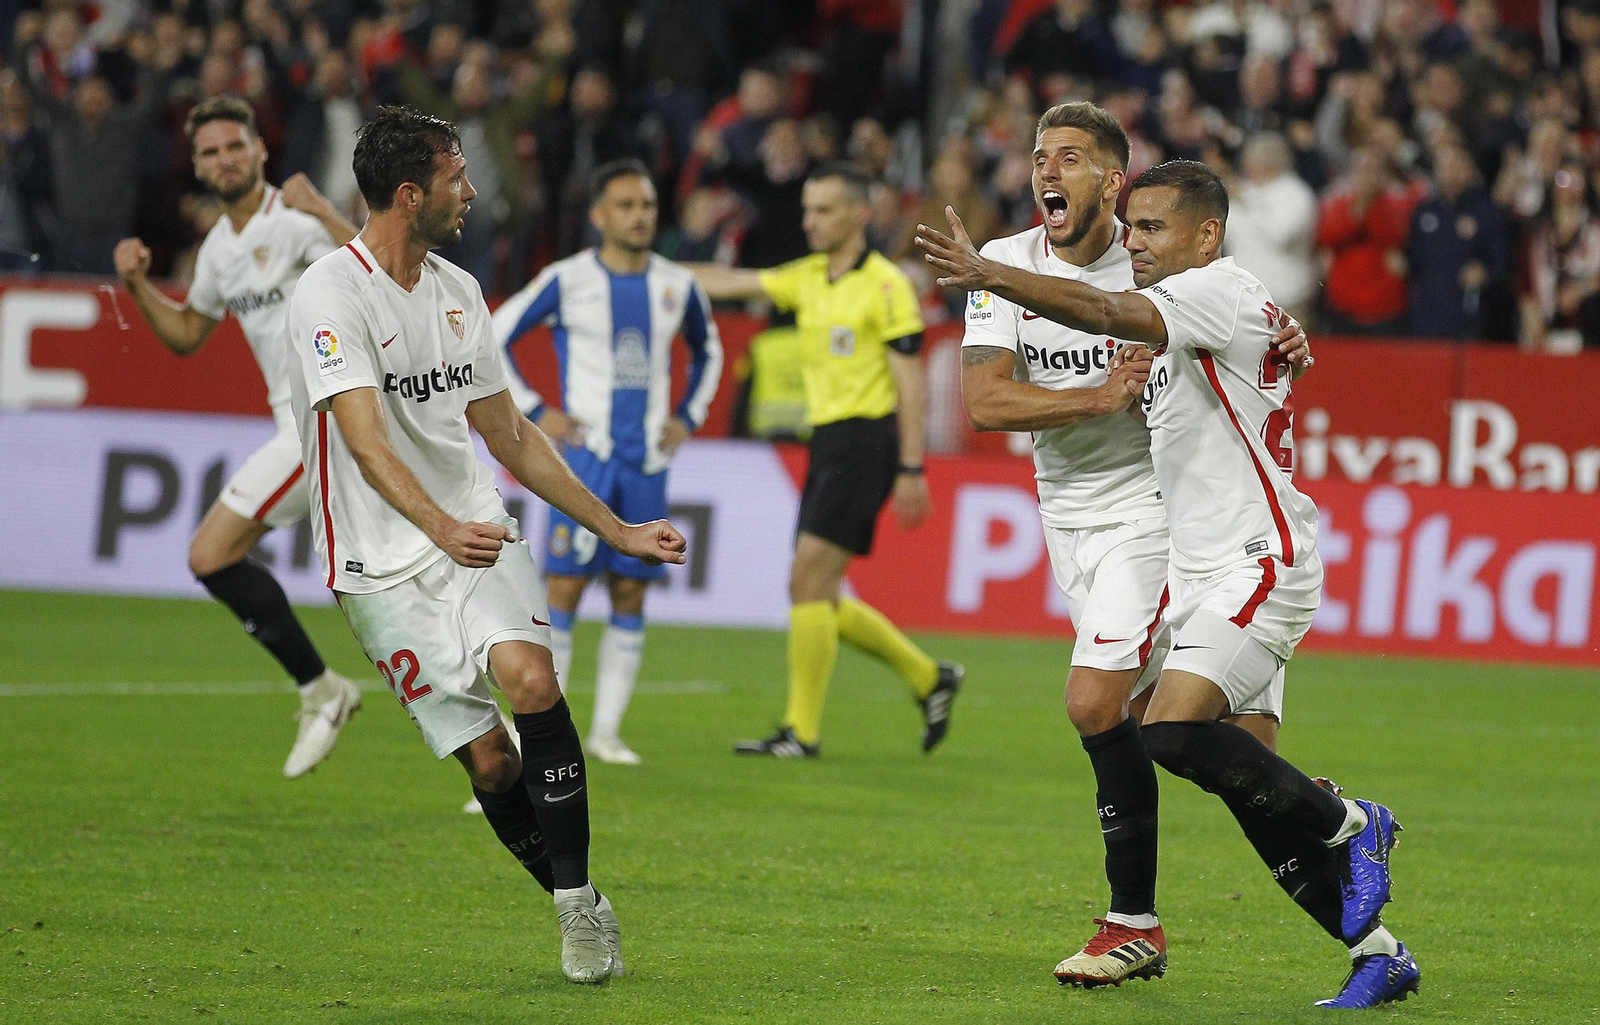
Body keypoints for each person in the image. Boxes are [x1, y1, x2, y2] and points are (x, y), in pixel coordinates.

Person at [918, 159, 1419, 1009]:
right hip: (1210, 573)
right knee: (1250, 778)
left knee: (1169, 732)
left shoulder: (1211, 290)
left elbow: (1115, 307)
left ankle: (1352, 821)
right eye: (1132, 227)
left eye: (1151, 228)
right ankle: (1379, 950)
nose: (1136, 243)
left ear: (1207, 234)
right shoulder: (1209, 310)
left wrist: (996, 273)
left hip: (1257, 561)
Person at [286, 105, 688, 983]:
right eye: (456, 176)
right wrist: (437, 528)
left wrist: (614, 529)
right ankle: (569, 890)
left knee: (533, 681)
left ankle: (576, 909)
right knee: (493, 761)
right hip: (376, 565)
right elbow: (364, 441)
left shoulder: (460, 292)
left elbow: (506, 433)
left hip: (474, 524)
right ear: (407, 193)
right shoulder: (330, 293)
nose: (471, 191)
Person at [957, 101, 1308, 990]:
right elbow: (987, 405)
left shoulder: (1154, 261)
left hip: (1153, 513)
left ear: (1111, 181)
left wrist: (1284, 337)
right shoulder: (1001, 261)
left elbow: (1191, 315)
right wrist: (1093, 399)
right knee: (1229, 749)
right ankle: (1368, 929)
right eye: (1039, 157)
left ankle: (1131, 922)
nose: (1047, 172)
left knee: (1093, 702)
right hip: (1064, 512)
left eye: (1069, 158)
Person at [112, 96, 362, 780]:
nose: (224, 159)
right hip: (296, 425)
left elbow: (381, 278)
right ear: (197, 166)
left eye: (235, 146)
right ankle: (327, 689)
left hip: (331, 418)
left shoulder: (300, 218)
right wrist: (137, 284)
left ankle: (326, 691)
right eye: (210, 152)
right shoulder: (220, 249)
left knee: (216, 552)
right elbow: (190, 335)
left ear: (259, 149)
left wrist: (327, 213)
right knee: (361, 597)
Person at [690, 161, 962, 758]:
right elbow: (736, 284)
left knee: (806, 579)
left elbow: (910, 382)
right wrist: (655, 273)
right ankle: (928, 677)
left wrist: (913, 466)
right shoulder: (809, 276)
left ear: (859, 215)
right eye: (808, 209)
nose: (810, 221)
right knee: (819, 590)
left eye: (824, 210)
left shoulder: (887, 286)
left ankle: (801, 732)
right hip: (828, 443)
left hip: (867, 443)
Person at [493, 157, 723, 766]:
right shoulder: (567, 280)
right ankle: (548, 737)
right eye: (626, 205)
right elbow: (494, 335)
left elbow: (710, 351)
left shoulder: (677, 285)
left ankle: (606, 733)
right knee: (563, 590)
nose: (640, 216)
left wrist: (688, 416)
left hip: (646, 461)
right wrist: (539, 409)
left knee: (631, 594)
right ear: (598, 216)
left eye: (647, 205)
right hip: (585, 462)